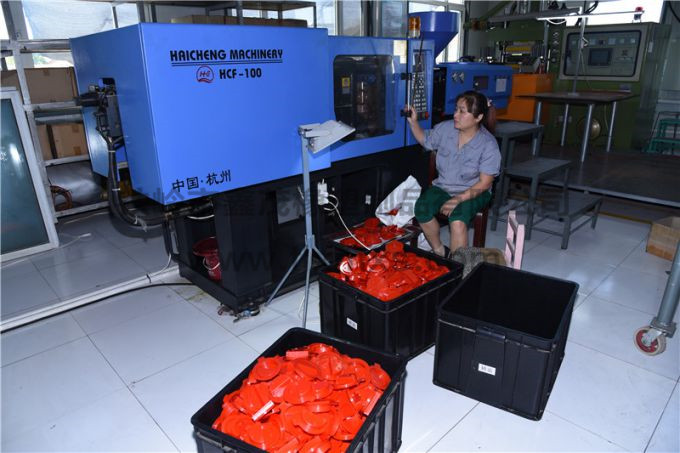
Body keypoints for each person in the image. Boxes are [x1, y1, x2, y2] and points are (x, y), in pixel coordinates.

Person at [406, 90, 501, 257]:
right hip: (444, 186)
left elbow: (485, 183)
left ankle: (458, 264)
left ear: (478, 117)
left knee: (457, 219)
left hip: (475, 190)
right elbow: (425, 140)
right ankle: (440, 251)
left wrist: (457, 199)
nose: (456, 115)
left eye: (462, 111)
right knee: (421, 208)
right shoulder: (445, 129)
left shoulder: (488, 144)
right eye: (456, 109)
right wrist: (413, 122)